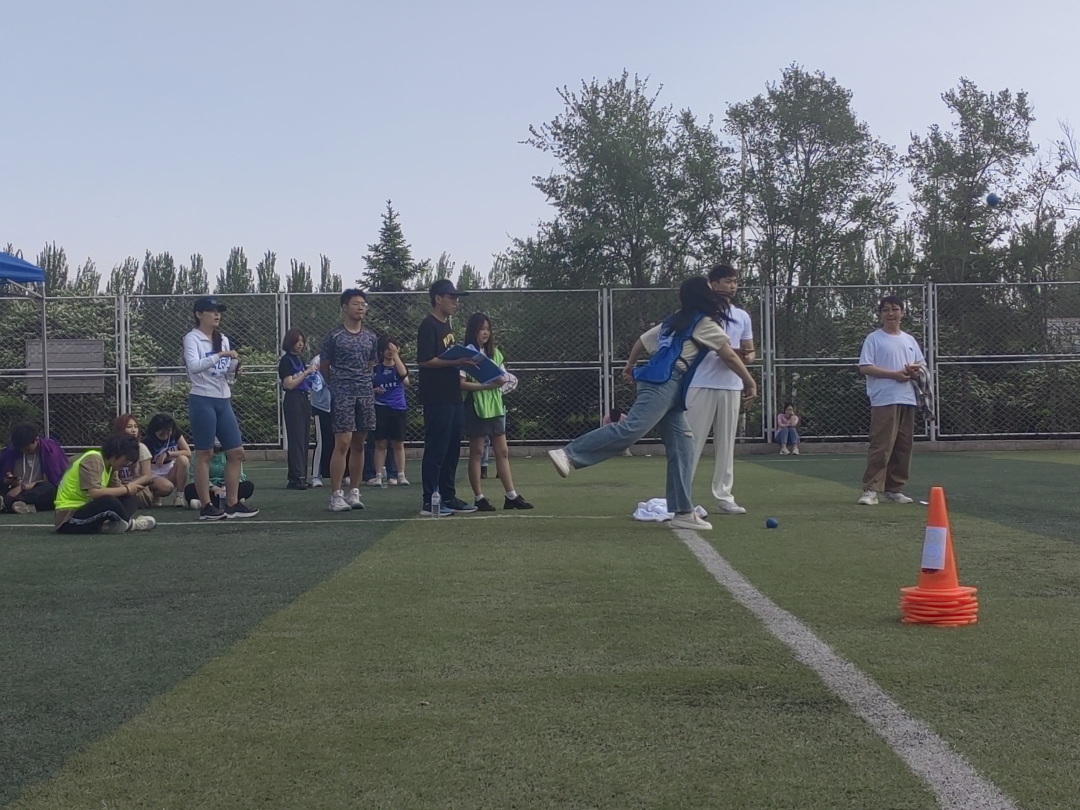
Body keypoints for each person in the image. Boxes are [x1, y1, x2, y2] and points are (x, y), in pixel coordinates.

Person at [547, 276, 757, 531]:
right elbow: (731, 357)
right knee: (632, 428)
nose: (715, 292)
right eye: (709, 289)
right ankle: (569, 453)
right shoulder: (704, 323)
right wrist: (750, 382)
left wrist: (630, 365)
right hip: (665, 382)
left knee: (683, 447)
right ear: (703, 296)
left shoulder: (675, 319)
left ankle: (683, 512)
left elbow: (641, 341)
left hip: (666, 383)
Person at [685, 263, 756, 516]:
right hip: (701, 383)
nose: (732, 286)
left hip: (731, 384)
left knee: (726, 445)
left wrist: (744, 358)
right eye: (727, 281)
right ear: (713, 284)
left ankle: (724, 496)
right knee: (691, 442)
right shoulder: (702, 313)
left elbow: (750, 350)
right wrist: (729, 355)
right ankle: (682, 496)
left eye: (735, 281)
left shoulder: (742, 316)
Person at [183, 296, 259, 521]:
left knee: (236, 452)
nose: (217, 315)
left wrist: (233, 369)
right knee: (205, 453)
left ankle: (232, 503)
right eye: (212, 311)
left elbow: (225, 374)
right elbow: (194, 367)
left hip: (223, 399)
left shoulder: (222, 338)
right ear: (199, 314)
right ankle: (207, 506)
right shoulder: (192, 338)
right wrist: (221, 355)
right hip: (202, 398)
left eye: (219, 311)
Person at [415, 278, 481, 516]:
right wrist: (455, 361)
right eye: (451, 298)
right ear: (438, 299)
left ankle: (448, 496)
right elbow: (424, 360)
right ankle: (430, 500)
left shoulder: (447, 327)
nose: (455, 302)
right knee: (437, 448)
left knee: (453, 448)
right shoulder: (428, 325)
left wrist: (465, 362)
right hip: (437, 397)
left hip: (453, 396)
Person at [460, 312, 533, 511]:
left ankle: (511, 496)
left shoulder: (495, 353)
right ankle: (479, 497)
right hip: (476, 406)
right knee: (477, 452)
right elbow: (462, 383)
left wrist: (502, 381)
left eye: (488, 329)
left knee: (502, 451)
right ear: (473, 331)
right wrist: (485, 386)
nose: (485, 333)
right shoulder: (466, 354)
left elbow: (503, 377)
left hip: (496, 406)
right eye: (481, 329)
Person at [857, 295, 925, 505]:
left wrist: (914, 371)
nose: (891, 314)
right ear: (880, 314)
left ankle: (894, 489)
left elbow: (921, 366)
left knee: (903, 446)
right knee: (882, 445)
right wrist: (894, 375)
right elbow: (865, 367)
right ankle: (871, 489)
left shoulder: (909, 340)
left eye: (895, 309)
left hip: (907, 398)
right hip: (884, 398)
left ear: (902, 313)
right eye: (886, 310)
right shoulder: (874, 338)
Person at [320, 289, 379, 512]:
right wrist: (335, 385)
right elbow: (325, 365)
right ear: (345, 307)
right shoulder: (334, 336)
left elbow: (371, 363)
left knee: (359, 444)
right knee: (343, 442)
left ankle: (354, 491)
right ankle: (336, 495)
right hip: (342, 392)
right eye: (356, 303)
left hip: (365, 392)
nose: (361, 307)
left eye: (363, 304)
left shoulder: (371, 337)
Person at [54, 433, 156, 534]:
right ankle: (132, 525)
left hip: (87, 511)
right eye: (126, 460)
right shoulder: (94, 460)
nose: (126, 464)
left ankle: (116, 525)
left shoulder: (111, 466)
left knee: (130, 498)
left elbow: (118, 489)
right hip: (69, 517)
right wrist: (127, 489)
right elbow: (94, 493)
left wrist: (131, 490)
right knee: (109, 501)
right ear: (115, 455)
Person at [278, 328, 318, 490]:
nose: (300, 344)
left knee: (304, 438)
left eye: (302, 341)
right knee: (296, 439)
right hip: (293, 399)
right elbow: (289, 384)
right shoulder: (286, 360)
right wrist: (306, 372)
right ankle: (296, 476)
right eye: (297, 341)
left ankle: (301, 475)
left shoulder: (298, 360)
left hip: (303, 398)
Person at [0, 422, 69, 514]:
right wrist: (7, 480)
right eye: (21, 449)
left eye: (27, 449)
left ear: (36, 440)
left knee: (49, 489)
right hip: (12, 490)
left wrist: (22, 487)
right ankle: (18, 505)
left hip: (36, 491)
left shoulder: (50, 451)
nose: (24, 451)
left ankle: (9, 503)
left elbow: (54, 481)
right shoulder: (11, 452)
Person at [370, 335, 410, 486]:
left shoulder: (399, 366)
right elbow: (368, 386)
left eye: (392, 348)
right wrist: (375, 391)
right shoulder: (376, 369)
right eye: (386, 348)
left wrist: (396, 355)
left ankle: (401, 474)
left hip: (398, 407)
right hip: (381, 407)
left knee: (398, 443)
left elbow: (403, 375)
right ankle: (378, 475)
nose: (389, 351)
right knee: (380, 443)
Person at [112, 414, 173, 507]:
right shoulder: (112, 447)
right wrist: (120, 488)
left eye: (135, 427)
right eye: (129, 427)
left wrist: (131, 486)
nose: (133, 430)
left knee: (167, 487)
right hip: (117, 485)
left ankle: (152, 498)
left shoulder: (141, 448)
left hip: (136, 485)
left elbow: (147, 476)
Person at [183, 442, 255, 509]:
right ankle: (229, 501)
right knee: (189, 489)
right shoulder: (198, 453)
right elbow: (194, 477)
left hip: (227, 488)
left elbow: (240, 476)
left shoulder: (232, 452)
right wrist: (213, 488)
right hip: (207, 488)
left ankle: (209, 503)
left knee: (248, 486)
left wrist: (226, 488)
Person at [143, 412, 192, 505]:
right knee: (167, 488)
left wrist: (168, 454)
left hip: (170, 470)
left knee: (183, 459)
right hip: (154, 473)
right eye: (161, 434)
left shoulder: (175, 434)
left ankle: (179, 496)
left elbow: (187, 452)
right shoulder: (147, 442)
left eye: (168, 432)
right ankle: (154, 494)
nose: (165, 436)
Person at [308, 352, 333, 488]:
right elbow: (316, 384)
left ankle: (345, 474)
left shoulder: (342, 357)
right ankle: (316, 476)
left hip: (340, 405)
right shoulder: (317, 360)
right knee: (322, 441)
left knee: (342, 441)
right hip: (321, 407)